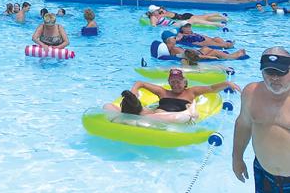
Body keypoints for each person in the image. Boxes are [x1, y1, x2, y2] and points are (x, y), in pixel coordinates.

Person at [232, 47, 290, 188]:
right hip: (263, 172)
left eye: (280, 72)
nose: (274, 78)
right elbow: (243, 126)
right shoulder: (251, 93)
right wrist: (237, 158)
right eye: (269, 72)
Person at [117, 69, 240, 123]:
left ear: (185, 82)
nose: (175, 85)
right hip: (155, 115)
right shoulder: (163, 92)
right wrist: (134, 91)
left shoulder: (191, 92)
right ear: (169, 82)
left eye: (178, 82)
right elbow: (141, 83)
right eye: (173, 82)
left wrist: (227, 83)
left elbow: (211, 88)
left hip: (172, 118)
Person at [162, 32, 246, 60]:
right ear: (168, 40)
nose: (175, 39)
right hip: (195, 57)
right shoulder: (174, 49)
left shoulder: (173, 47)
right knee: (214, 51)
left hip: (195, 53)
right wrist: (210, 57)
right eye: (174, 38)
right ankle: (232, 56)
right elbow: (191, 57)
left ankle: (229, 54)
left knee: (206, 48)